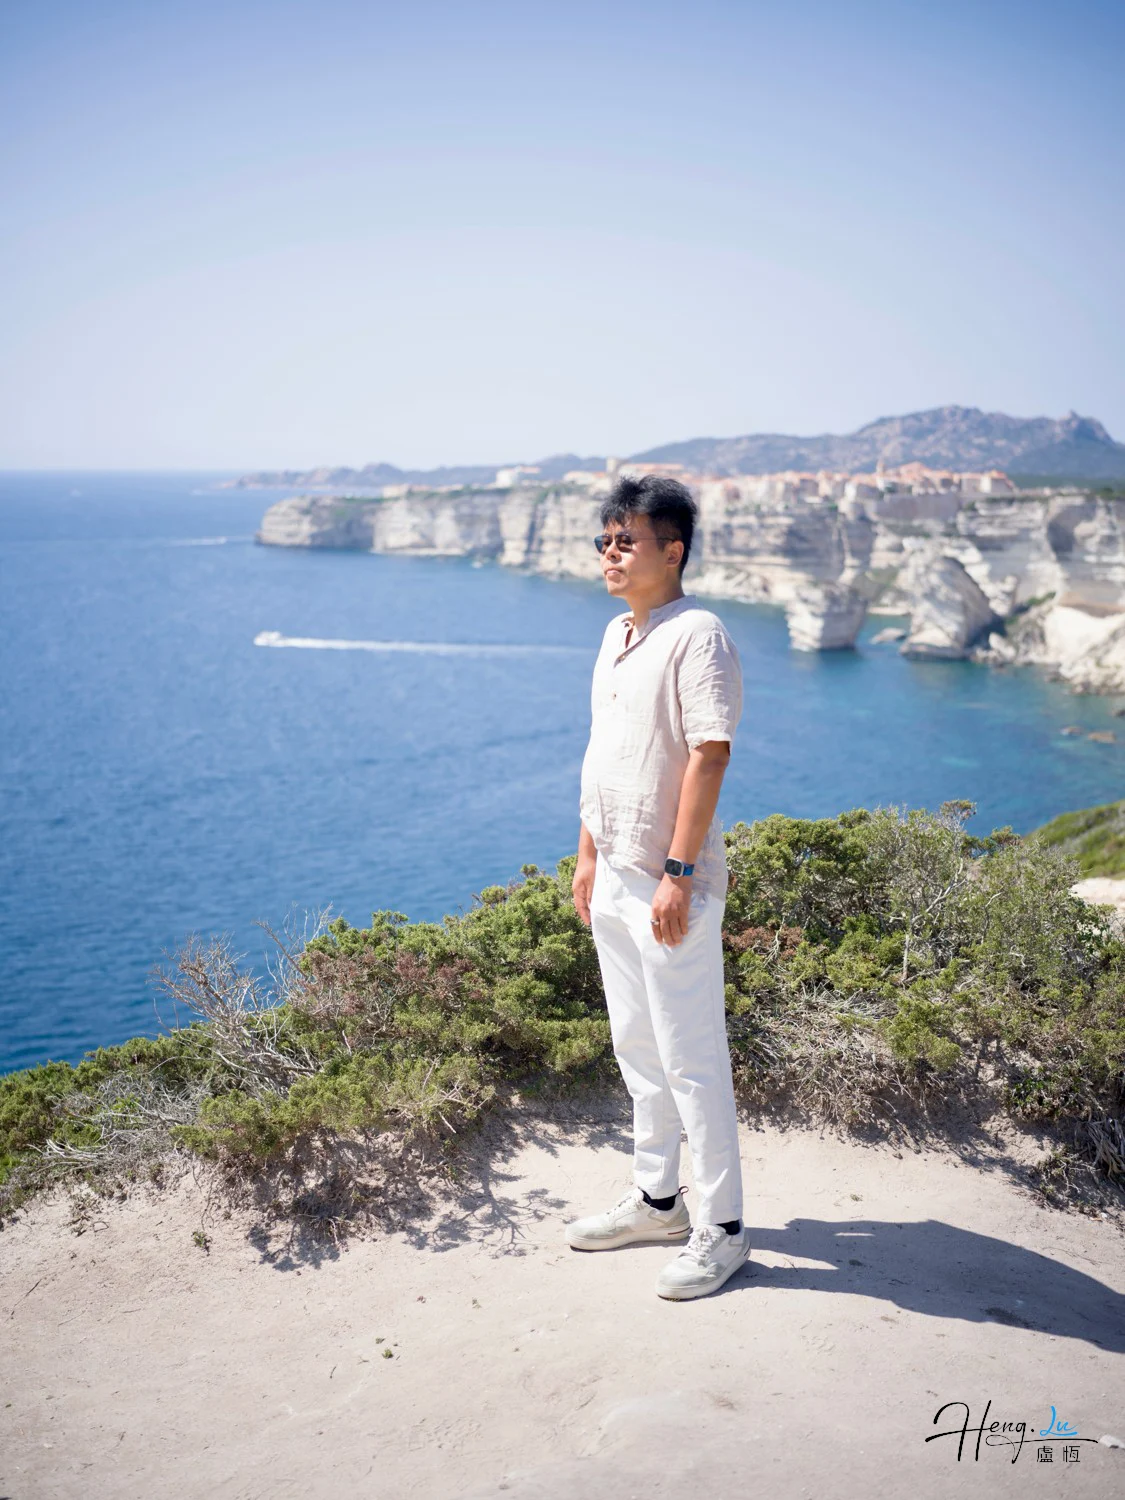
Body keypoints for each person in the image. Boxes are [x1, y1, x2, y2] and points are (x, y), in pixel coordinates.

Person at [568, 473, 750, 1302]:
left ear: (670, 550)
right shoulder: (616, 634)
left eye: (625, 541)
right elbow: (604, 751)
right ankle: (657, 1201)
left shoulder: (697, 633)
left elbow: (708, 754)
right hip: (614, 875)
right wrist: (587, 856)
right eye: (604, 541)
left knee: (691, 1062)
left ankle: (723, 1230)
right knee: (638, 1052)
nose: (610, 554)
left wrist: (676, 874)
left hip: (669, 885)